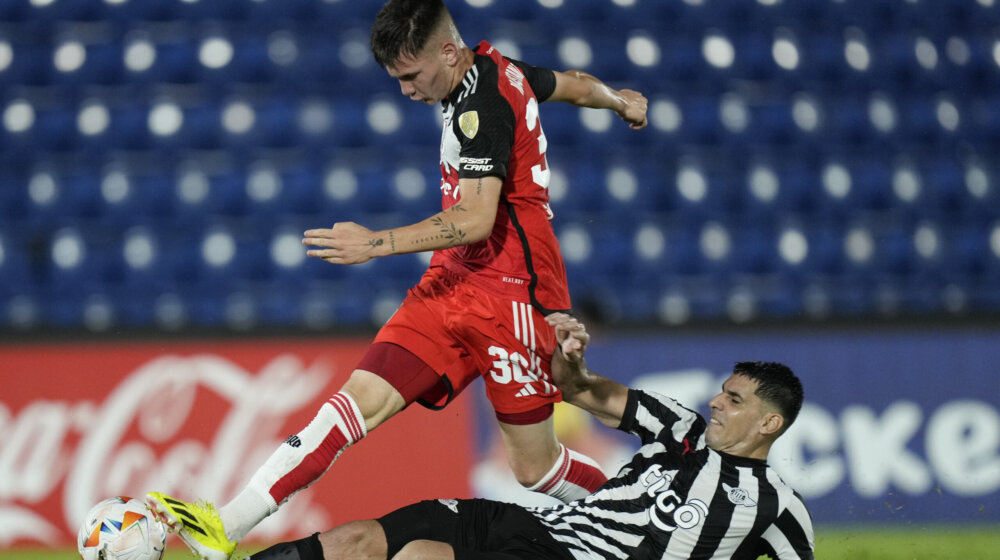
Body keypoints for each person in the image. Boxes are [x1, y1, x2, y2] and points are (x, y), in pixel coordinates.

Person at [146, 1, 649, 558]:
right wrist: (619, 100)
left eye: (412, 76)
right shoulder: (500, 69)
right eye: (398, 79)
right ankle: (227, 525)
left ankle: (645, 520)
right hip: (454, 281)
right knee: (353, 403)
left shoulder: (480, 106)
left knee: (536, 469)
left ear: (449, 52)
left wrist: (374, 243)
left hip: (515, 296)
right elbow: (574, 85)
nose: (407, 91)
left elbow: (476, 218)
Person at [247, 313, 816, 560]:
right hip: (535, 526)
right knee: (357, 542)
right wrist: (567, 358)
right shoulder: (680, 428)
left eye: (734, 400)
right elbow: (584, 391)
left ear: (770, 423)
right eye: (722, 390)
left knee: (420, 556)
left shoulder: (778, 506)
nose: (716, 401)